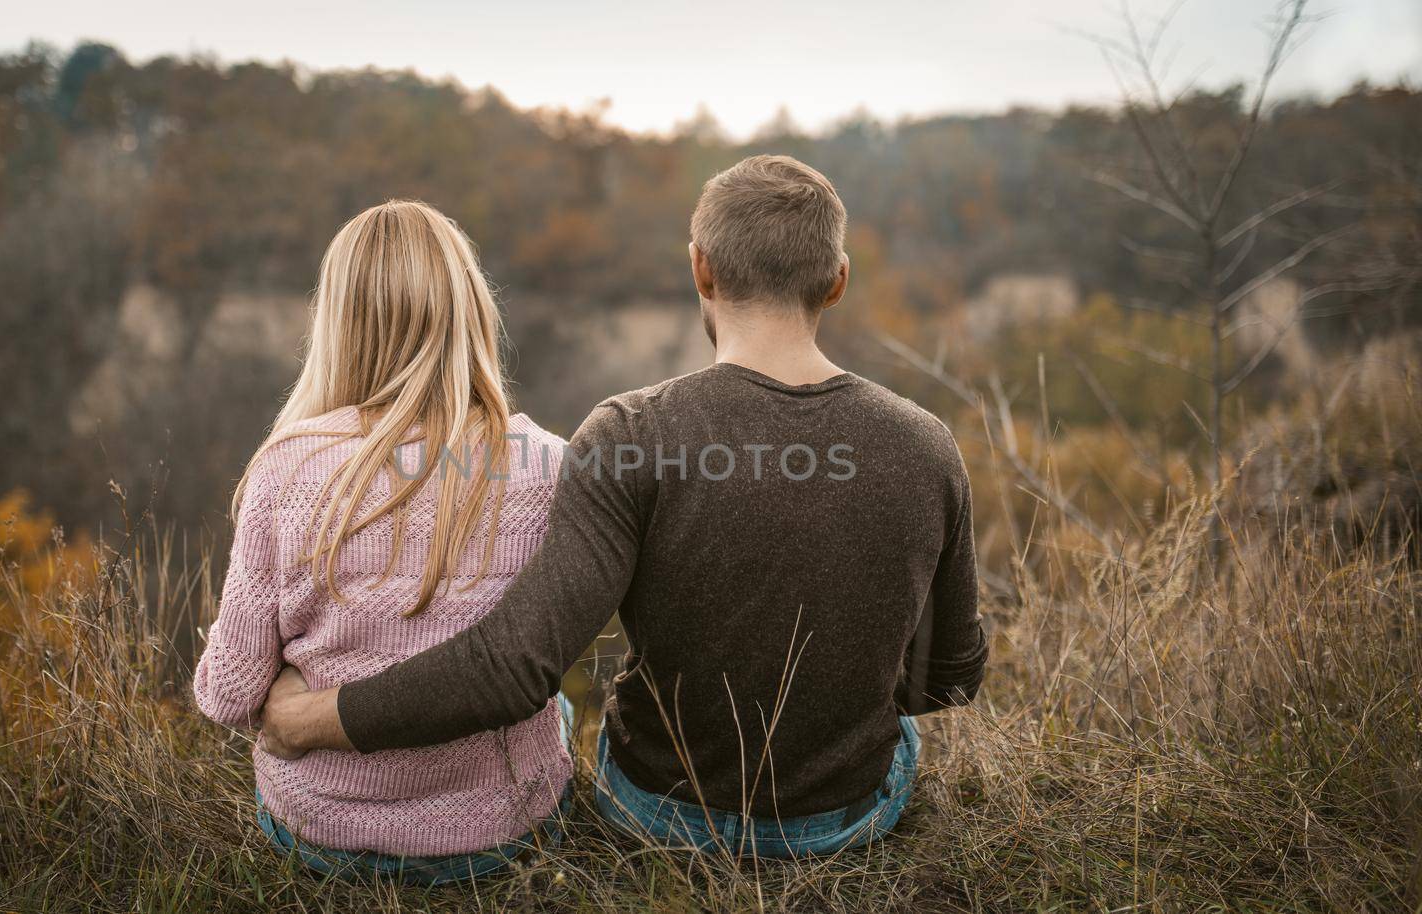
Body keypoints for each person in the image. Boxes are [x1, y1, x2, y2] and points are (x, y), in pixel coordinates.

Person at [256, 155, 988, 858]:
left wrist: (308, 717)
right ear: (837, 282)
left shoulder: (633, 437)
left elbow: (514, 668)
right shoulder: (924, 445)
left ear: (700, 266)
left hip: (660, 811)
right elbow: (949, 677)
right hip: (843, 817)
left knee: (577, 715)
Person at [192, 200, 572, 885]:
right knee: (563, 707)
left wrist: (290, 678)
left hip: (319, 828)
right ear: (469, 310)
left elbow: (227, 695)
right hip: (493, 832)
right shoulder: (550, 465)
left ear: (336, 321)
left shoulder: (290, 467)